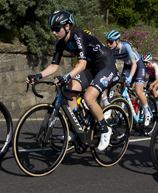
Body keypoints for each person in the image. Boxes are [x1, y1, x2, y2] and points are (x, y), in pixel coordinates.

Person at [28, 11, 117, 151]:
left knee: (88, 97)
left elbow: (81, 64)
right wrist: (38, 75)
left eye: (57, 28)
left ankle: (106, 129)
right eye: (52, 29)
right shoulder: (59, 43)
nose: (54, 32)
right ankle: (77, 128)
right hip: (91, 68)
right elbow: (54, 66)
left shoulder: (78, 35)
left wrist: (66, 76)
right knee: (69, 89)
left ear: (67, 26)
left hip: (106, 66)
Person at [105, 30, 152, 127]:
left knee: (138, 92)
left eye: (111, 42)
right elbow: (113, 65)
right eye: (107, 42)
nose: (109, 44)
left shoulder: (126, 46)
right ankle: (126, 108)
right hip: (127, 66)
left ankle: (147, 113)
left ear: (117, 41)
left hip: (138, 65)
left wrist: (130, 77)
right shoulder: (112, 51)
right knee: (122, 89)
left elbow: (134, 64)